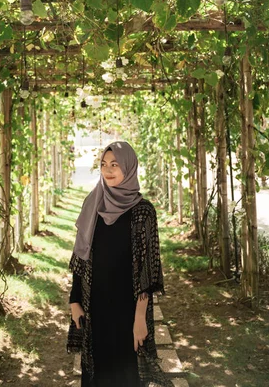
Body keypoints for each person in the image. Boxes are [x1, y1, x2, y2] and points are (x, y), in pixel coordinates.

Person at [66, 141, 173, 387]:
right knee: (95, 374)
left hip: (127, 310)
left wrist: (140, 319)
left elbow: (148, 271)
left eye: (115, 164)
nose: (108, 170)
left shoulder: (143, 212)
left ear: (129, 167)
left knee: (126, 375)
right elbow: (81, 257)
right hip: (94, 306)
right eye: (104, 164)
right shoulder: (92, 204)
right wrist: (74, 301)